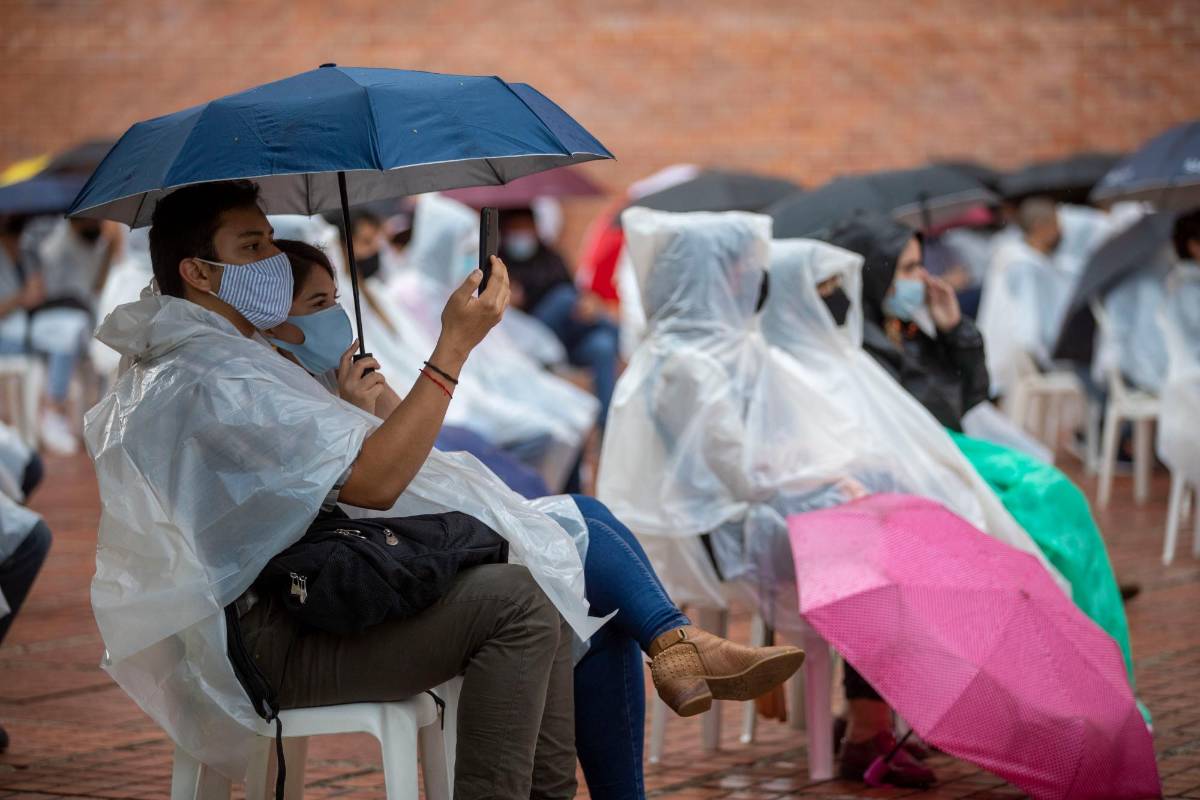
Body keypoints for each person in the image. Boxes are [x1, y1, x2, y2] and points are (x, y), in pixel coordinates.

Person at [86, 180, 801, 800]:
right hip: (271, 635)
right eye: (250, 248)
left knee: (565, 579)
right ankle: (670, 651)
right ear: (199, 274)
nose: (272, 260)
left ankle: (667, 657)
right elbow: (374, 481)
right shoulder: (208, 374)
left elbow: (350, 475)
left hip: (320, 592)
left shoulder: (229, 359)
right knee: (525, 595)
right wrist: (452, 348)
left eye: (272, 241)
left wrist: (362, 403)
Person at [268, 236, 803, 798]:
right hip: (374, 567)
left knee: (599, 598)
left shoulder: (339, 374)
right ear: (273, 321)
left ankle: (676, 648)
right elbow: (364, 489)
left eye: (335, 300)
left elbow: (418, 453)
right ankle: (680, 646)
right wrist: (356, 413)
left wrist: (374, 402)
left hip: (413, 537)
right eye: (316, 305)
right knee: (583, 545)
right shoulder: (274, 394)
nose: (335, 317)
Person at [825, 211, 988, 432]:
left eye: (921, 265)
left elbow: (969, 397)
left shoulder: (898, 328)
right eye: (909, 268)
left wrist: (954, 331)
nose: (923, 277)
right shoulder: (855, 345)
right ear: (874, 274)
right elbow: (940, 412)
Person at [501, 207, 620, 426]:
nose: (522, 235)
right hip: (530, 335)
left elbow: (576, 293)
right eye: (516, 229)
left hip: (564, 336)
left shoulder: (552, 258)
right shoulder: (499, 263)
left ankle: (607, 425)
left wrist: (587, 306)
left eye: (526, 228)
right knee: (564, 298)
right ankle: (626, 337)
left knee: (603, 346)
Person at [30, 217, 122, 453]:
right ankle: (53, 410)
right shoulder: (59, 239)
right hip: (53, 315)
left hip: (82, 317)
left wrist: (110, 248)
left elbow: (97, 285)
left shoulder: (94, 244)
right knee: (68, 334)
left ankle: (90, 417)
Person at [977, 197, 1075, 397]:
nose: (1061, 231)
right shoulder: (1024, 265)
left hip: (1007, 355)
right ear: (1042, 226)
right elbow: (1028, 323)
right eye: (1056, 224)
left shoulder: (1013, 256)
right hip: (1022, 358)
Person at [0, 216, 43, 356]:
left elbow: (37, 295)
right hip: (6, 336)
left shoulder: (26, 255)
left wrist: (16, 300)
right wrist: (19, 298)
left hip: (29, 332)